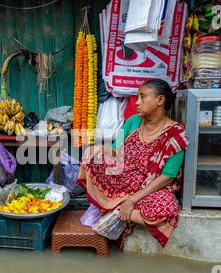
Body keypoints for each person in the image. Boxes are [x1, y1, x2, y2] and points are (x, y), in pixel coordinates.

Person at [77, 79, 188, 248]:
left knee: (167, 209)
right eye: (137, 97)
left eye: (143, 97)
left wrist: (132, 201)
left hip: (150, 187)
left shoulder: (176, 134)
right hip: (123, 176)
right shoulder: (133, 122)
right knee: (91, 159)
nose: (137, 102)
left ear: (160, 100)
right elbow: (115, 150)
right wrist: (99, 149)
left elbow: (167, 177)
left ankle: (113, 210)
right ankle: (112, 204)